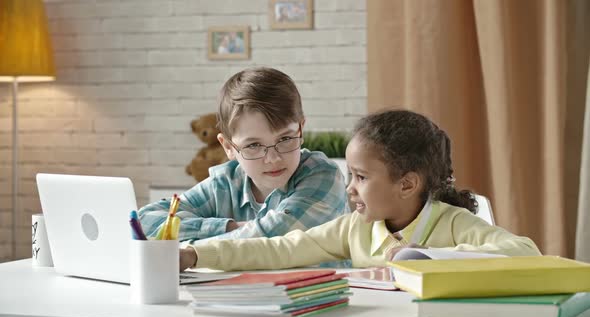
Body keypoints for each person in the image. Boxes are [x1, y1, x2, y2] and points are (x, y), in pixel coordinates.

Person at [179, 109, 541, 271]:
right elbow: (279, 249)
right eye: (350, 175)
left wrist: (431, 258)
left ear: (407, 184)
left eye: (362, 178)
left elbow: (525, 252)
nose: (350, 189)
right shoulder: (356, 228)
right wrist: (196, 254)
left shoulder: (452, 224)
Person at [139, 67, 349, 248]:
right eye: (254, 145)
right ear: (228, 147)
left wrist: (190, 249)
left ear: (301, 130)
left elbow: (271, 241)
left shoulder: (324, 176)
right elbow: (143, 223)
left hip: (315, 294)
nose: (273, 158)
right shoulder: (224, 184)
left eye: (285, 138)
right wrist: (230, 226)